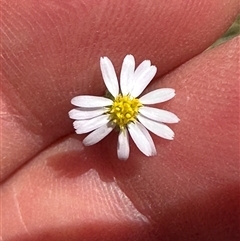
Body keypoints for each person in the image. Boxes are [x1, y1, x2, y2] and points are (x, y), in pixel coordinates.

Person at [1, 0, 239, 240]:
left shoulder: (130, 115)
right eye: (125, 108)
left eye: (127, 109)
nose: (125, 109)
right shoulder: (112, 110)